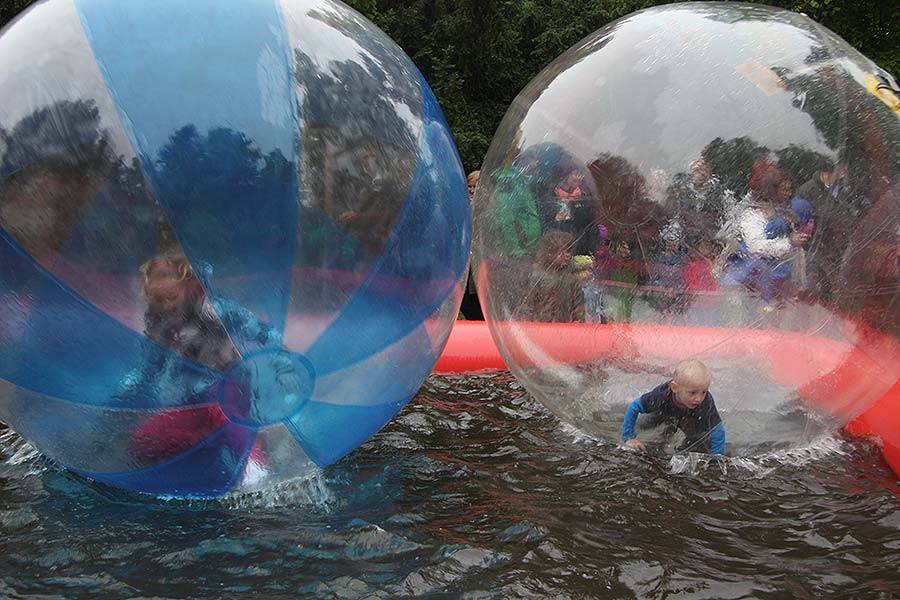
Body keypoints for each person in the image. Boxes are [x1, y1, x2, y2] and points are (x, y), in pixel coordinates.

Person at [620, 359, 725, 455]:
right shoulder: (661, 395)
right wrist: (628, 438)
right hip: (662, 413)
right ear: (674, 388)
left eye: (704, 392)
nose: (699, 398)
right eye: (692, 393)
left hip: (690, 418)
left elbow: (717, 430)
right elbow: (634, 407)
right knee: (643, 425)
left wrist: (716, 457)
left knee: (697, 440)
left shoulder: (706, 401)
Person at [460, 170, 484, 319]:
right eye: (470, 186)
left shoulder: (486, 207)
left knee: (476, 292)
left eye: (475, 186)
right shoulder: (463, 205)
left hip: (479, 257)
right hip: (465, 256)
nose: (472, 190)